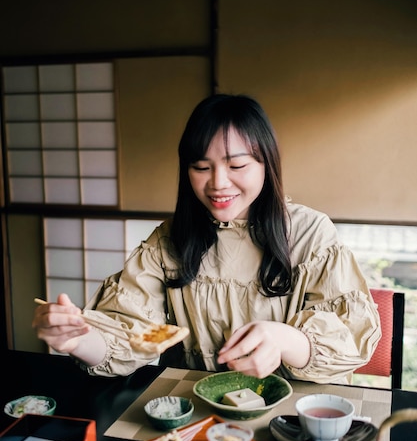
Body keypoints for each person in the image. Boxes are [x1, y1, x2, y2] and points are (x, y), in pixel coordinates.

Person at [32, 93, 381, 383]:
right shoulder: (170, 240)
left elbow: (349, 337)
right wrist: (76, 338)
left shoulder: (311, 234)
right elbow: (129, 336)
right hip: (198, 411)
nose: (218, 183)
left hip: (290, 416)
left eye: (237, 166)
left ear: (266, 164)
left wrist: (283, 339)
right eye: (201, 167)